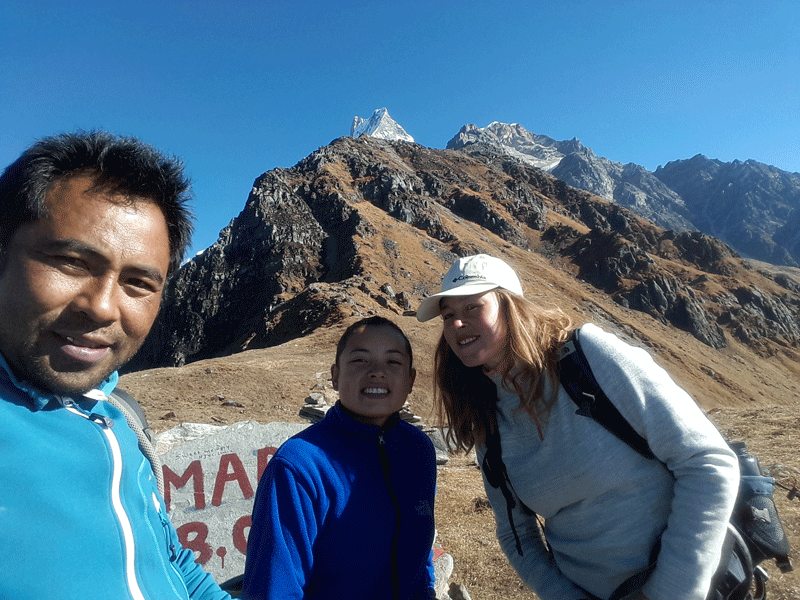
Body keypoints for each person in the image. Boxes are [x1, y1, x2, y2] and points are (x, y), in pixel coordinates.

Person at [416, 254, 740, 600]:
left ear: (511, 306)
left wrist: (668, 593)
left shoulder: (587, 359)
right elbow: (517, 534)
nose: (456, 325)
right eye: (448, 315)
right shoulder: (487, 413)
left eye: (472, 308)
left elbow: (708, 463)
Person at [0, 131, 230, 600]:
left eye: (138, 283)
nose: (103, 307)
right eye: (71, 262)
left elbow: (169, 561)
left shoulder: (118, 419)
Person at [243, 316, 437, 600]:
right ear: (335, 376)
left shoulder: (419, 450)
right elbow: (273, 588)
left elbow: (421, 551)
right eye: (360, 361)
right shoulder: (298, 466)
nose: (377, 372)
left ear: (410, 380)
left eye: (393, 362)